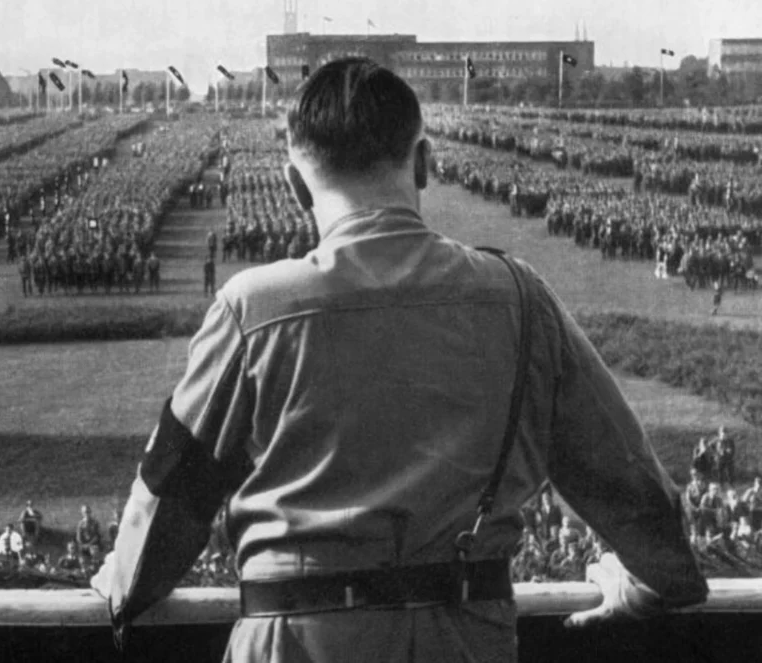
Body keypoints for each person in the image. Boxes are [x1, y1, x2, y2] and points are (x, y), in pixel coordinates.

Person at [91, 58, 707, 662]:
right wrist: (660, 578)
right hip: (466, 636)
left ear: (295, 184)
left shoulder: (252, 308)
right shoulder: (520, 297)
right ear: (424, 163)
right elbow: (626, 478)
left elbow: (172, 490)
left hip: (295, 639)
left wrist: (124, 583)